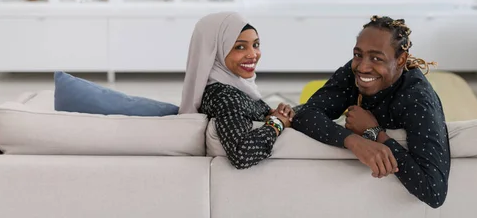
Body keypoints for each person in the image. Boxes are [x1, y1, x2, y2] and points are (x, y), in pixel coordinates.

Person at [291, 15, 450, 208]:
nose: (362, 66)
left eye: (376, 58)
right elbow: (305, 115)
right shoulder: (353, 71)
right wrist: (355, 142)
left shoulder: (417, 100)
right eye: (358, 54)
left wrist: (375, 134)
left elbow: (434, 191)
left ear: (401, 60)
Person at [179, 11, 295, 169]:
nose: (253, 54)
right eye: (240, 47)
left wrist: (270, 115)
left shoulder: (225, 85)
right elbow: (242, 153)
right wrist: (277, 123)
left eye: (256, 45)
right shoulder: (225, 97)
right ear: (216, 50)